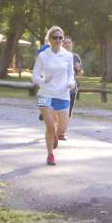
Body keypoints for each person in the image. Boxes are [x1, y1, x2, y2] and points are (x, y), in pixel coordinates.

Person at [32, 26, 75, 166]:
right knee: (50, 127)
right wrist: (43, 80)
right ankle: (50, 154)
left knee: (62, 129)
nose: (58, 40)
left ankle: (56, 135)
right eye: (55, 37)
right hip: (46, 94)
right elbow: (34, 76)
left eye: (60, 38)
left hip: (63, 95)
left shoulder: (68, 56)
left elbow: (71, 74)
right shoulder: (43, 56)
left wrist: (70, 83)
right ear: (49, 39)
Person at [62, 35, 83, 127]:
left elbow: (80, 73)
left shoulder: (75, 57)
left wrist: (78, 69)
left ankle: (63, 131)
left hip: (72, 88)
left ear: (72, 44)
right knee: (60, 110)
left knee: (69, 110)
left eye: (69, 43)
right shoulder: (58, 55)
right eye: (65, 43)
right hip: (60, 87)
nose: (67, 45)